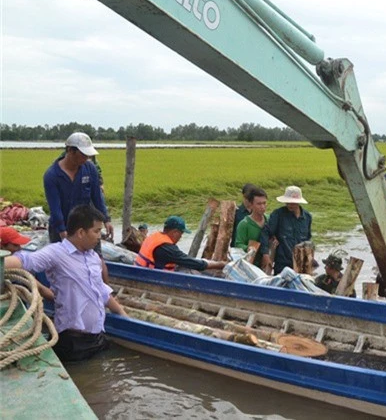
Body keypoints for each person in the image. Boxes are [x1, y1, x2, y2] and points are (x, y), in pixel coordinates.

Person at [5, 205, 127, 362]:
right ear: (81, 232)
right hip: (71, 340)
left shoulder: (93, 257)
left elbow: (102, 291)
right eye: (96, 231)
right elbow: (25, 260)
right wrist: (3, 261)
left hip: (97, 336)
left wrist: (123, 314)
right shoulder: (56, 253)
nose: (99, 236)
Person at [44, 132, 113, 243]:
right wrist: (62, 231)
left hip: (86, 226)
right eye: (83, 155)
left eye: (87, 155)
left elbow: (97, 197)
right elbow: (55, 208)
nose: (86, 158)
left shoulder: (90, 169)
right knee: (63, 259)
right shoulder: (52, 176)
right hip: (61, 227)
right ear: (71, 151)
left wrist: (106, 220)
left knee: (95, 259)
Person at [135, 215, 226, 272]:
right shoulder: (167, 248)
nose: (181, 237)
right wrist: (221, 265)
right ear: (175, 232)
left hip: (142, 273)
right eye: (181, 234)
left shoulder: (154, 236)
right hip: (153, 279)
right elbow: (194, 263)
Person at [260, 186, 312, 275]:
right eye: (287, 202)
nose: (289, 205)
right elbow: (265, 232)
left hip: (300, 264)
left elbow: (308, 240)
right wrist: (265, 254)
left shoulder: (307, 217)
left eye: (292, 202)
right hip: (282, 264)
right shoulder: (278, 214)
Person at [234, 187, 268, 266]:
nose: (262, 207)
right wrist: (248, 248)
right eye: (259, 204)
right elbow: (238, 244)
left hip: (266, 263)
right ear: (251, 205)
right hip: (250, 264)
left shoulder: (269, 220)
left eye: (264, 203)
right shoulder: (244, 224)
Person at [231, 183, 257, 247]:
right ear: (243, 196)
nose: (249, 201)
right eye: (247, 198)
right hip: (237, 248)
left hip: (253, 248)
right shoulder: (235, 212)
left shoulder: (257, 212)